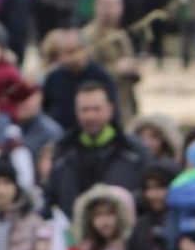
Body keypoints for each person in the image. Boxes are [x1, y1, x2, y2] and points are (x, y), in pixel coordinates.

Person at [44, 82, 144, 216]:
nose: (90, 116)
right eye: (84, 110)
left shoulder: (133, 151)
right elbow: (52, 196)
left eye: (96, 109)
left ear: (110, 109)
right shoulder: (63, 150)